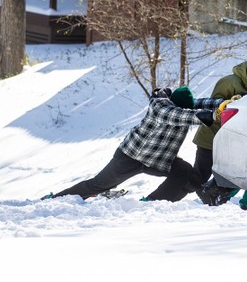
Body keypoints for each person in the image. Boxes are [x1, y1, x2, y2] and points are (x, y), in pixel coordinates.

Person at [44, 86, 222, 202]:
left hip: (158, 160)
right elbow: (180, 115)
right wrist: (211, 116)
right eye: (184, 109)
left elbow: (202, 103)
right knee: (99, 184)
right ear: (174, 103)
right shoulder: (160, 108)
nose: (187, 110)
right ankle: (57, 199)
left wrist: (224, 105)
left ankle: (153, 203)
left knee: (184, 171)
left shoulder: (183, 106)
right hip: (130, 157)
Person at [193, 60, 247, 208]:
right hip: (210, 137)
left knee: (229, 174)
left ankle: (214, 200)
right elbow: (212, 107)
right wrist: (232, 103)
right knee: (199, 177)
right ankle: (171, 198)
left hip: (232, 141)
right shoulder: (229, 82)